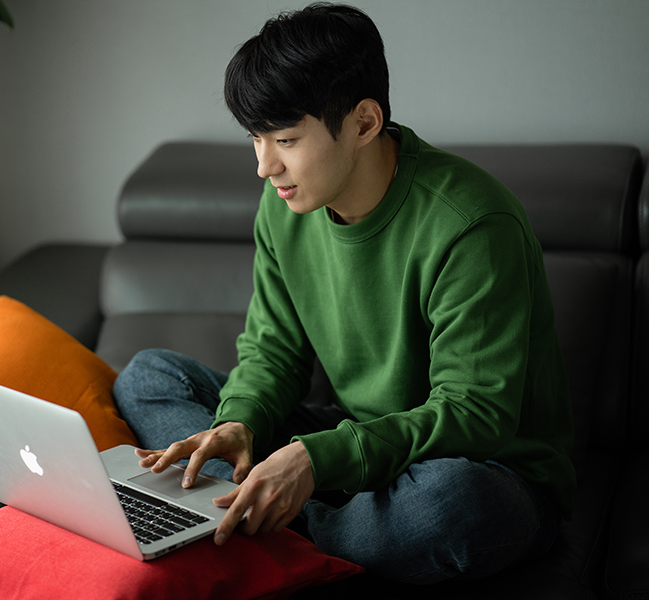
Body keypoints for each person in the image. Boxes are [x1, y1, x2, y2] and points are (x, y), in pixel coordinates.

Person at [113, 3, 575, 585]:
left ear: (362, 123)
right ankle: (274, 514)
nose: (264, 166)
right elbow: (272, 350)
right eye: (255, 139)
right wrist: (240, 426)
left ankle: (250, 523)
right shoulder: (286, 204)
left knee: (452, 507)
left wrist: (315, 459)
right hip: (357, 440)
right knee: (148, 376)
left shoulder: (472, 223)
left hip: (484, 467)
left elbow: (475, 414)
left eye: (284, 138)